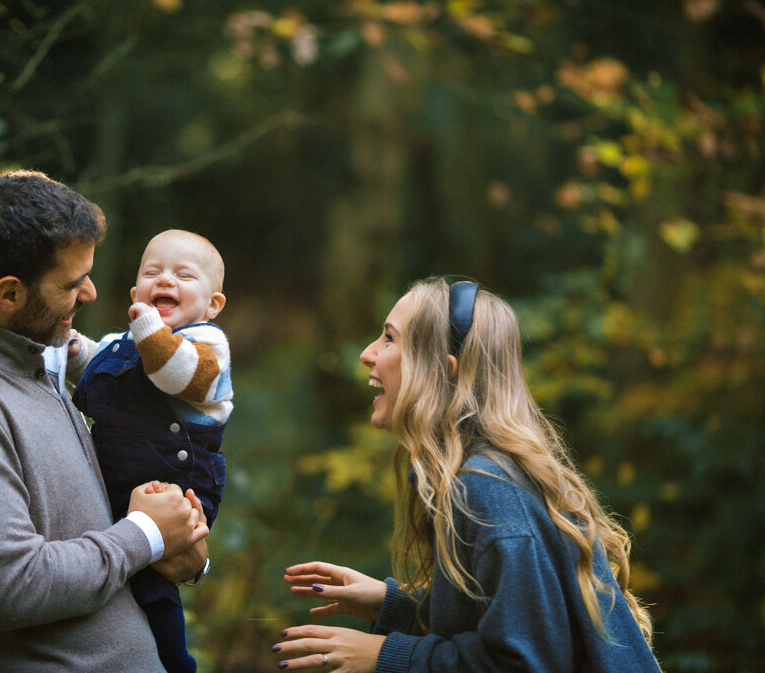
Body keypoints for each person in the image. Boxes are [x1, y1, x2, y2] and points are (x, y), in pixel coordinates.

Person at [0, 171, 209, 672]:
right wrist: (145, 534)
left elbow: (87, 529)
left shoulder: (35, 352)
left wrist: (178, 551)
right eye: (71, 283)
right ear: (9, 294)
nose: (90, 294)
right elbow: (14, 587)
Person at [272, 277, 661, 672]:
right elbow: (499, 625)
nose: (367, 353)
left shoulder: (486, 490)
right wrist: (394, 605)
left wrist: (383, 654)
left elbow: (525, 663)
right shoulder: (481, 477)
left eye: (389, 338)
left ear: (443, 371)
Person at [68, 229, 232, 673]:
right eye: (153, 272)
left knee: (157, 588)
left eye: (184, 275)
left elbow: (178, 374)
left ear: (213, 304)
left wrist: (148, 328)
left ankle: (174, 663)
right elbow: (99, 364)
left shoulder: (207, 344)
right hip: (122, 487)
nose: (167, 281)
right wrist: (76, 349)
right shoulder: (126, 342)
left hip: (176, 486)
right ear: (135, 290)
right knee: (128, 582)